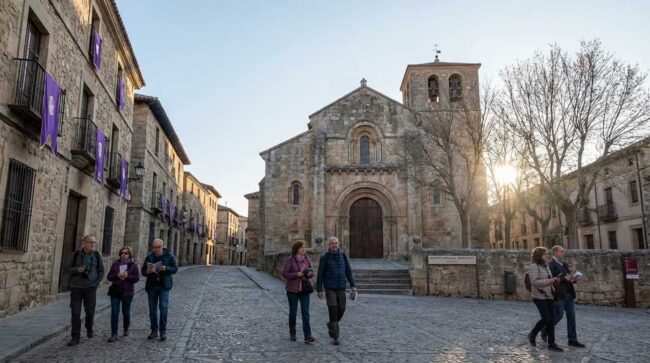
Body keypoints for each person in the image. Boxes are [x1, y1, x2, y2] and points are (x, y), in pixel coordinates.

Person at [541, 245, 586, 348]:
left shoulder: (565, 264)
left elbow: (568, 278)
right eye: (561, 251)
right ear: (555, 252)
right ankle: (545, 329)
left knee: (571, 317)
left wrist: (573, 278)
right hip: (559, 295)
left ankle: (572, 340)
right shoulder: (550, 265)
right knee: (559, 315)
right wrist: (562, 278)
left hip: (569, 294)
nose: (563, 253)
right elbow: (550, 279)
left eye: (563, 251)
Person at [316, 236, 357, 345]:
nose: (334, 245)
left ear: (338, 244)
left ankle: (332, 324)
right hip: (330, 288)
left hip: (341, 287)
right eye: (332, 243)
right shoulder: (324, 257)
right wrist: (319, 289)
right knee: (333, 308)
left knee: (342, 308)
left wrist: (353, 285)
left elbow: (348, 271)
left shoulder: (343, 256)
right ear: (329, 245)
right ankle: (335, 336)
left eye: (336, 243)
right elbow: (320, 274)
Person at [67, 235, 105, 346]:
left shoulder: (97, 255)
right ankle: (75, 337)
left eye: (94, 242)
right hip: (76, 287)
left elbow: (101, 270)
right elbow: (68, 268)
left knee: (90, 312)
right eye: (90, 242)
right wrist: (77, 270)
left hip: (90, 288)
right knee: (75, 313)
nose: (92, 244)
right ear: (84, 243)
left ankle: (89, 327)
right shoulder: (75, 255)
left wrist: (96, 283)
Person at [527, 246, 563, 352]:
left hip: (550, 295)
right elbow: (534, 282)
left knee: (551, 320)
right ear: (539, 256)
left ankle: (552, 343)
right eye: (545, 254)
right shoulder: (534, 266)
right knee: (545, 318)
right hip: (539, 296)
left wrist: (555, 281)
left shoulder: (546, 266)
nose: (547, 255)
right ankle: (532, 334)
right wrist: (550, 280)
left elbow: (548, 279)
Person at [141, 239, 178, 341]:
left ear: (162, 246)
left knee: (163, 307)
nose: (156, 249)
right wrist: (148, 271)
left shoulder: (169, 256)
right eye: (154, 247)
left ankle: (163, 331)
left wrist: (166, 268)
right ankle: (154, 330)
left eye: (158, 247)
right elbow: (143, 271)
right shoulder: (149, 256)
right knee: (152, 310)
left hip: (164, 286)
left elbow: (175, 269)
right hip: (152, 286)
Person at [282, 241, 316, 343]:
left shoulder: (306, 259)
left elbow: (311, 272)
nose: (303, 249)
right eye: (301, 247)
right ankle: (292, 333)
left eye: (304, 247)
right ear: (296, 249)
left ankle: (307, 336)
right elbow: (285, 274)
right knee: (293, 312)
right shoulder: (290, 260)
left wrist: (310, 274)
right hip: (293, 290)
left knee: (305, 313)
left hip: (304, 289)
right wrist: (297, 274)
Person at [106, 246, 140, 342]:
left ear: (129, 254)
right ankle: (114, 333)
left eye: (126, 253)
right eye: (122, 253)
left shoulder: (133, 265)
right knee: (114, 312)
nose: (123, 255)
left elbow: (136, 278)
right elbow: (109, 277)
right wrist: (117, 275)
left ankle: (126, 328)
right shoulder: (115, 264)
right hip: (115, 291)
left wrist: (127, 276)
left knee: (126, 312)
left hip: (127, 292)